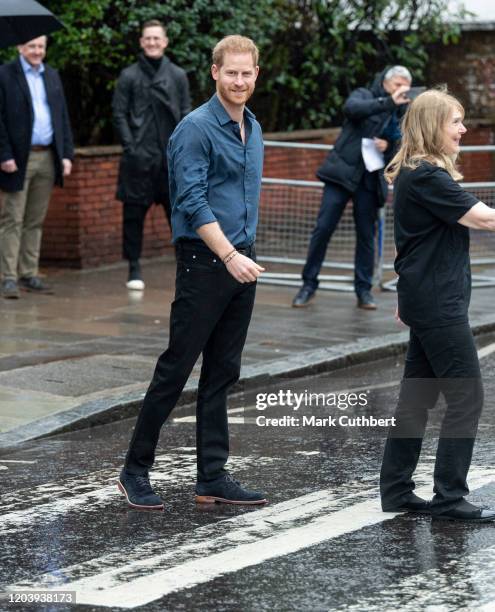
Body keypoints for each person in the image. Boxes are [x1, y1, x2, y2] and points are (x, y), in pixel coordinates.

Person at [118, 35, 267, 510]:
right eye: (231, 72)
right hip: (208, 262)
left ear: (255, 75)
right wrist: (228, 256)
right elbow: (191, 200)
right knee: (176, 369)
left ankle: (212, 476)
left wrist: (241, 254)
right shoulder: (195, 128)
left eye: (247, 73)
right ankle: (134, 469)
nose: (239, 80)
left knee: (223, 372)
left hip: (242, 259)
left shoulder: (254, 127)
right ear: (214, 72)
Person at [380, 89, 495, 522]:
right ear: (433, 127)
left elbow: (415, 244)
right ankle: (449, 496)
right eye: (455, 122)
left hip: (427, 298)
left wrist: (406, 295)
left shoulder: (418, 174)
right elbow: (484, 217)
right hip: (437, 303)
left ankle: (396, 490)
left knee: (418, 397)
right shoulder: (427, 175)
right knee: (467, 396)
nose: (463, 129)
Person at [292, 66, 412, 310]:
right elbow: (352, 110)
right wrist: (388, 102)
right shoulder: (365, 95)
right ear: (386, 82)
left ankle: (364, 290)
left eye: (405, 86)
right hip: (342, 174)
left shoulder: (403, 111)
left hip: (368, 179)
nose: (401, 90)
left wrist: (387, 145)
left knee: (366, 236)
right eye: (397, 85)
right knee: (323, 229)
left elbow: (401, 145)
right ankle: (308, 284)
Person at [113, 20, 191, 291]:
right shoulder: (129, 76)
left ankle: (186, 265)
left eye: (157, 38)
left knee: (180, 216)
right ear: (141, 42)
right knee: (133, 217)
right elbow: (119, 113)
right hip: (138, 161)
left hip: (169, 162)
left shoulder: (178, 75)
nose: (152, 43)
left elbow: (185, 114)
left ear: (166, 41)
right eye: (148, 38)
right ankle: (133, 266)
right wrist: (131, 146)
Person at [0, 36, 74, 299]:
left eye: (41, 46)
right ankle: (8, 277)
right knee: (12, 219)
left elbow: (61, 116)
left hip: (47, 158)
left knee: (35, 220)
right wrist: (4, 154)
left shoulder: (51, 75)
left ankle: (29, 273)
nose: (37, 51)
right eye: (31, 46)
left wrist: (66, 154)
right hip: (17, 159)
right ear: (19, 47)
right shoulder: (5, 74)